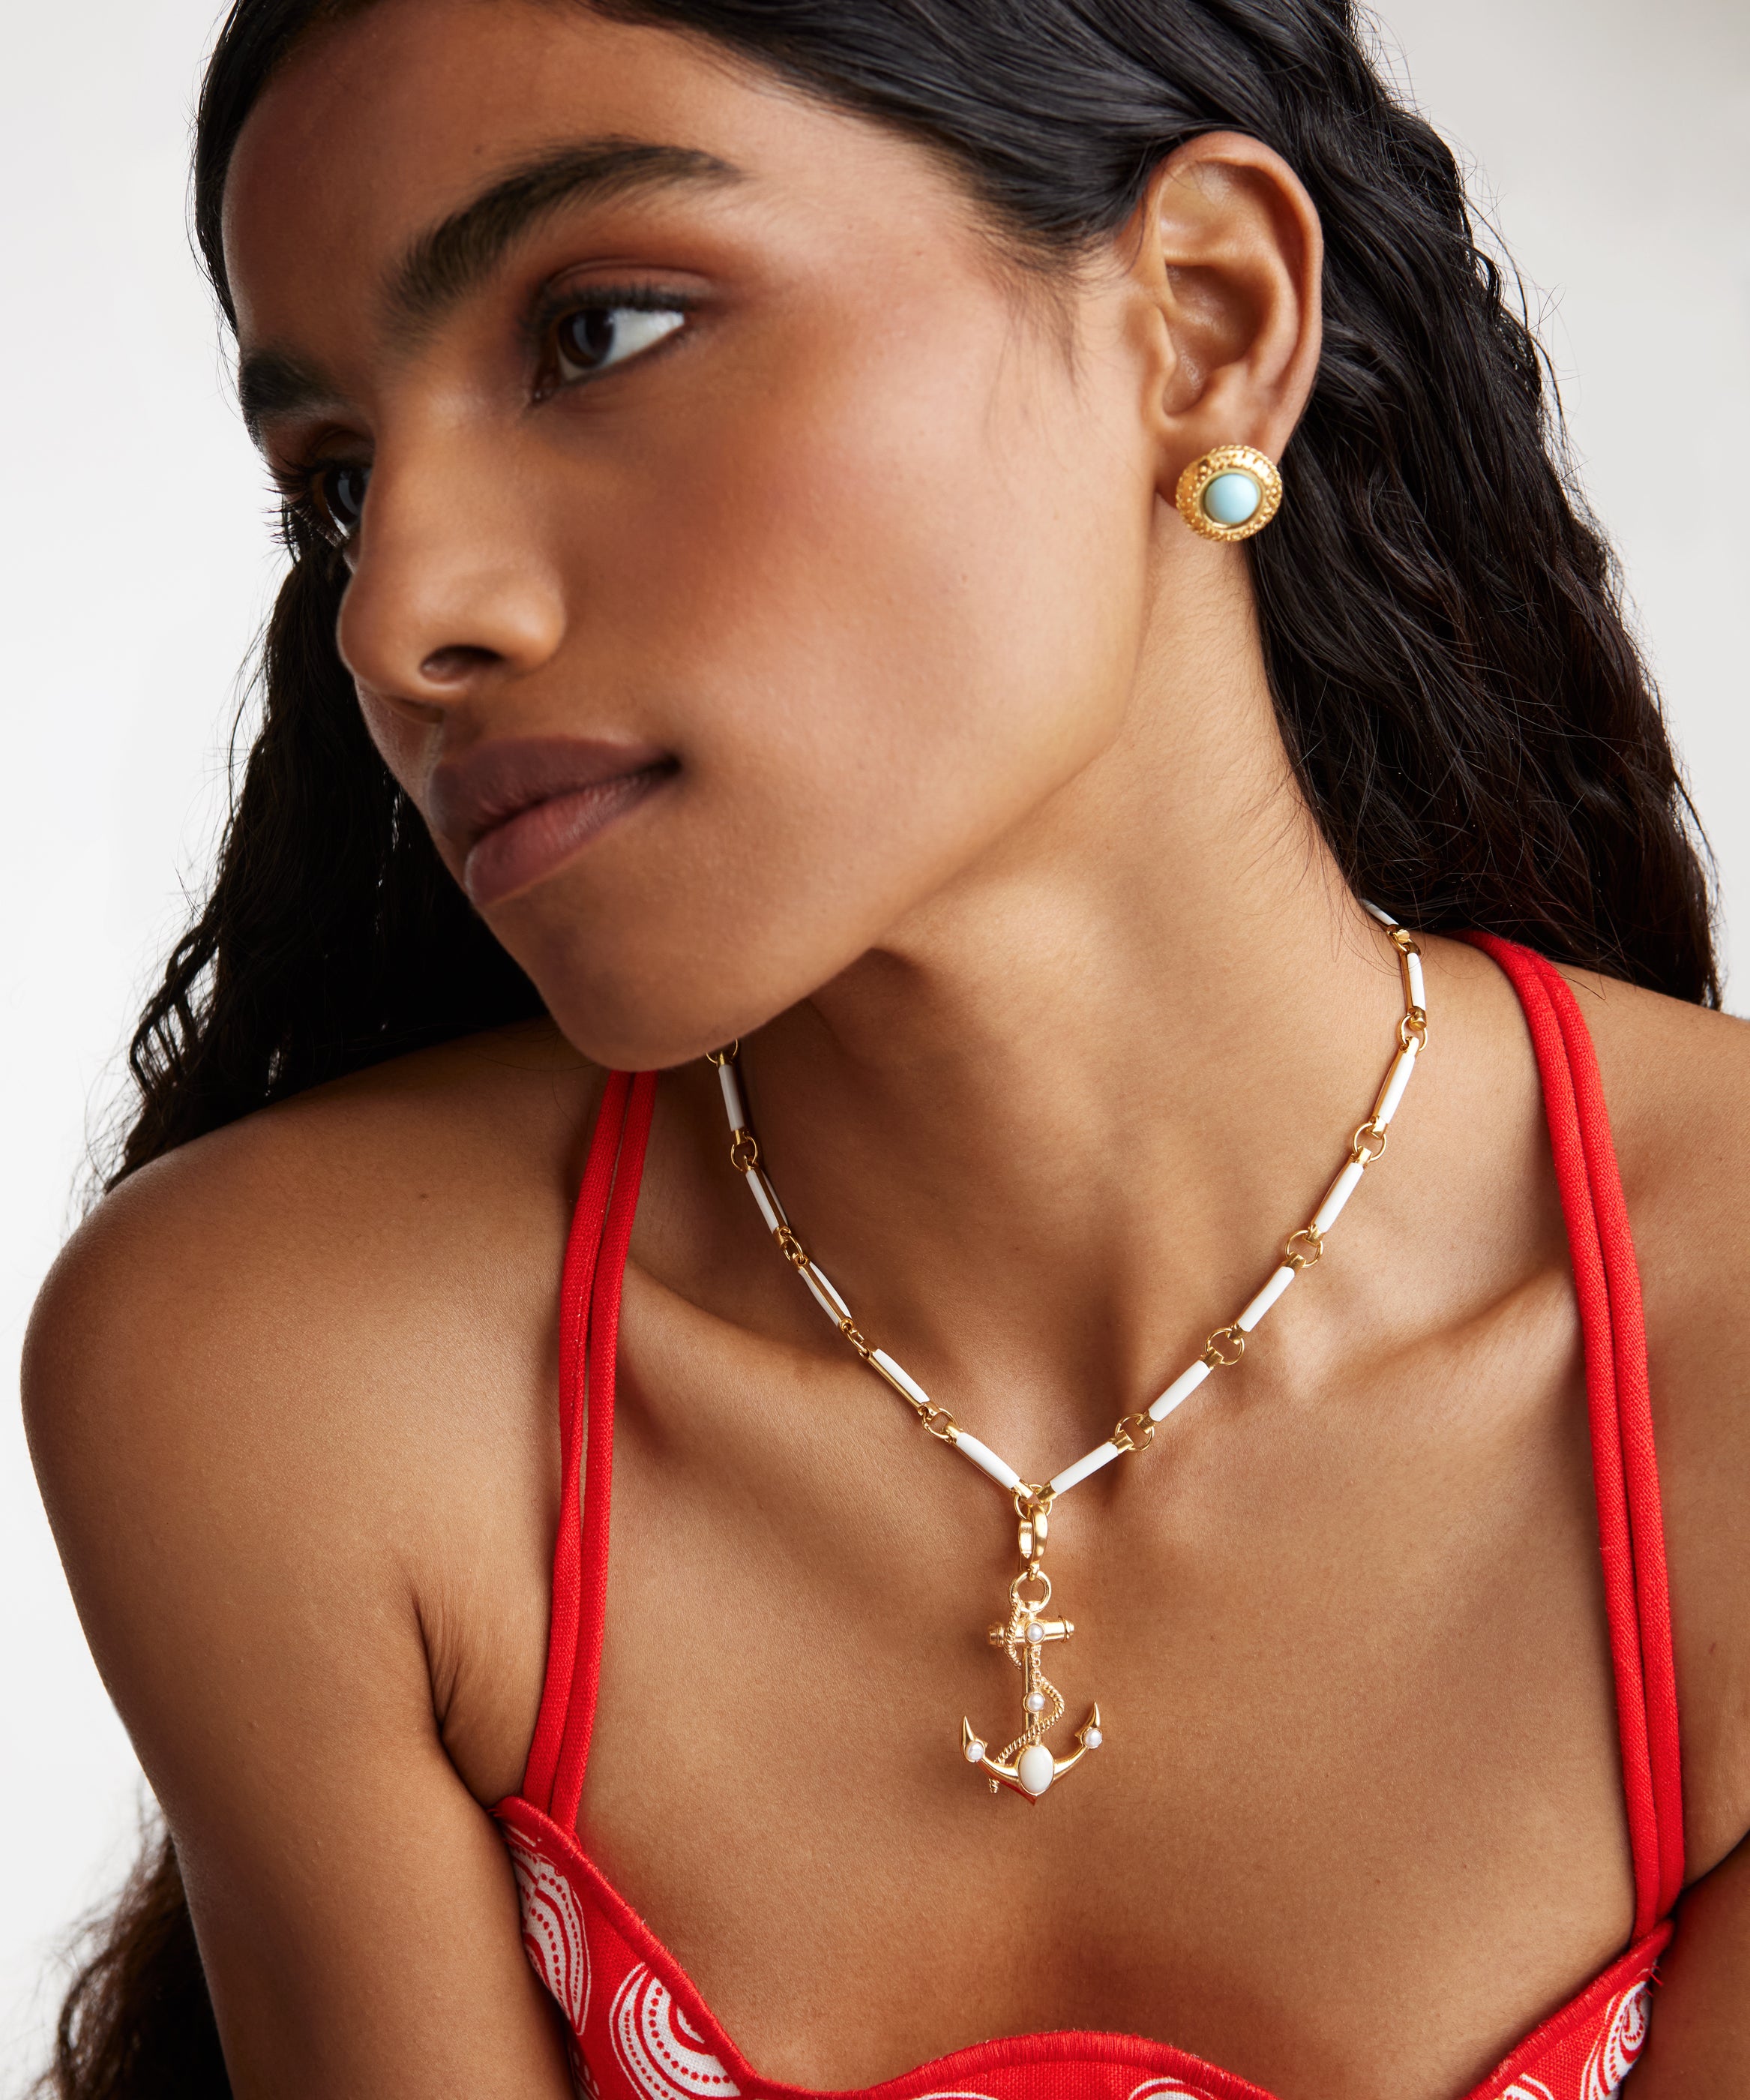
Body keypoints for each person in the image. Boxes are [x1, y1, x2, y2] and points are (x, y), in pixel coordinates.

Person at [22, 0, 1750, 2094]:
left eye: (599, 333)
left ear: (1206, 323)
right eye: (341, 482)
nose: (398, 617)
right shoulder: (300, 1376)